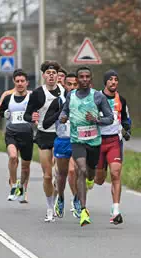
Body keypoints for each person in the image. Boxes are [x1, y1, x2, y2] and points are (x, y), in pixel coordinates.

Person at [59, 66, 114, 226]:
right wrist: (63, 117)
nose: (84, 79)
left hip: (94, 142)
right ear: (77, 79)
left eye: (86, 77)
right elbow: (64, 112)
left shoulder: (98, 97)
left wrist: (96, 120)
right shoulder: (71, 96)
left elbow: (110, 118)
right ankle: (83, 210)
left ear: (90, 79)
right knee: (81, 170)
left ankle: (90, 179)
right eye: (81, 77)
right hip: (77, 141)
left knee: (90, 173)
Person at [24, 60, 65, 222]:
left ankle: (56, 202)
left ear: (57, 76)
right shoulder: (37, 93)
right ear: (43, 76)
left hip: (61, 135)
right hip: (43, 135)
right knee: (47, 176)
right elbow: (28, 114)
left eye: (54, 73)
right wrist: (31, 117)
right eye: (48, 73)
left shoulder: (64, 92)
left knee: (58, 174)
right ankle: (49, 207)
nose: (51, 76)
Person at [94, 70, 131, 225]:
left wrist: (127, 130)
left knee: (115, 174)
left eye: (116, 79)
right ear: (105, 82)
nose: (114, 82)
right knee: (99, 180)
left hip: (114, 141)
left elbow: (126, 118)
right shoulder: (96, 98)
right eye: (110, 80)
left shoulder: (121, 99)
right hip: (98, 142)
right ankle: (89, 180)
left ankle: (116, 210)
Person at [41, 72, 81, 218]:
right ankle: (61, 197)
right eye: (69, 84)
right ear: (64, 85)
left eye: (75, 84)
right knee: (62, 174)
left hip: (78, 141)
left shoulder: (86, 100)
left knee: (73, 171)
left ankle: (77, 199)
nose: (72, 87)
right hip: (62, 140)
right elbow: (46, 123)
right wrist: (60, 114)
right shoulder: (58, 101)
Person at [0, 69, 33, 203]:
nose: (20, 83)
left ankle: (22, 188)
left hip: (27, 134)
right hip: (11, 133)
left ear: (27, 83)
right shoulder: (9, 98)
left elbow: (39, 110)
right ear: (14, 82)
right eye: (17, 81)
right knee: (13, 157)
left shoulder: (32, 97)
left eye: (22, 81)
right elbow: (0, 111)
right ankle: (13, 185)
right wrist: (5, 113)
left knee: (25, 166)